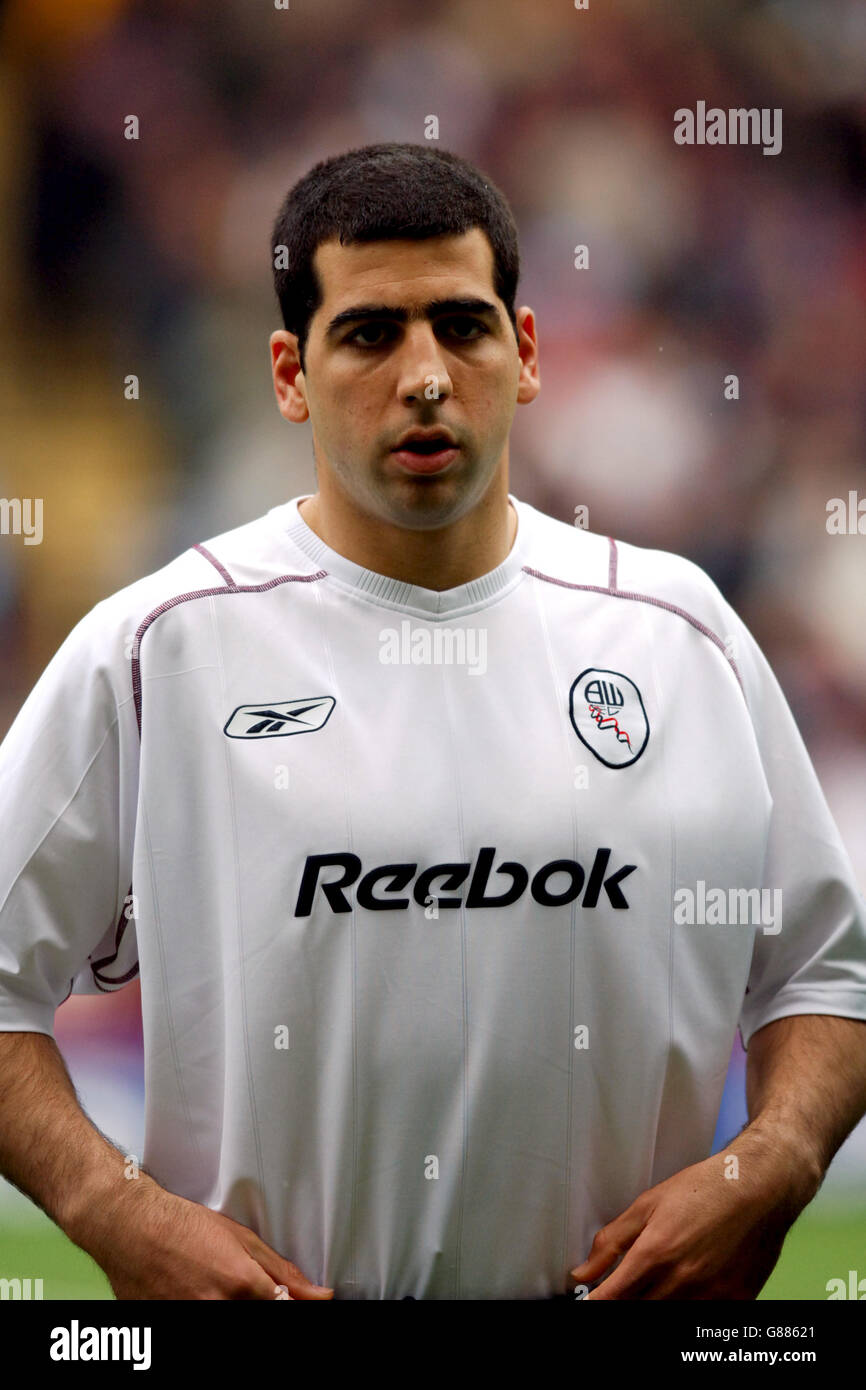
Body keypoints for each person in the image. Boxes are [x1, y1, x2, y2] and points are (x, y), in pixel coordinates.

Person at [1, 142, 865, 1302]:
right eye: (368, 334)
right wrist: (113, 1210)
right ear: (288, 374)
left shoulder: (677, 633)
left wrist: (776, 1159)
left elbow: (823, 974)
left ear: (525, 353)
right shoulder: (160, 648)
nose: (423, 376)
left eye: (460, 326)